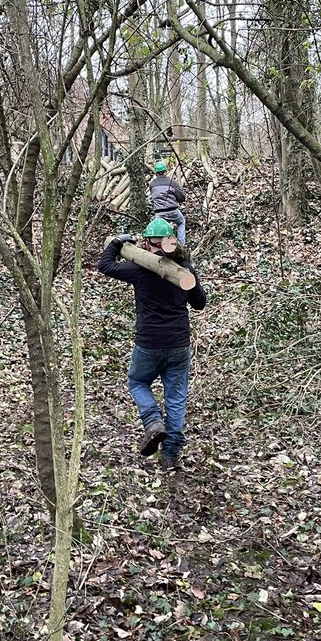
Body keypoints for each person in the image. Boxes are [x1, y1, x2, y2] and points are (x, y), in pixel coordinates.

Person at [98, 218, 207, 471]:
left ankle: (153, 421)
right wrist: (191, 274)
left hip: (148, 342)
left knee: (137, 382)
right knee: (176, 398)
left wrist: (116, 242)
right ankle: (170, 456)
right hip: (179, 344)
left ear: (147, 243)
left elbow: (105, 265)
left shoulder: (139, 270)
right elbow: (199, 303)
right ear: (172, 241)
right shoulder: (184, 269)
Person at [148, 159, 187, 244]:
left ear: (156, 173)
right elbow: (181, 197)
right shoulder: (172, 183)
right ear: (165, 171)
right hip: (173, 210)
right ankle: (181, 244)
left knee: (159, 230)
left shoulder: (152, 184)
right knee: (181, 222)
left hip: (159, 213)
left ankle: (160, 246)